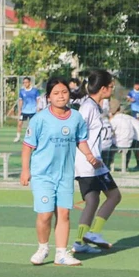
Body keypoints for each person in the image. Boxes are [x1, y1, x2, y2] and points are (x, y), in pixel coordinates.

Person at [21, 76, 100, 267]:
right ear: (48, 97)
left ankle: (62, 254)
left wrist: (89, 156)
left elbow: (81, 139)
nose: (61, 96)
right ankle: (42, 248)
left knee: (63, 214)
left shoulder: (76, 117)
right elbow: (27, 146)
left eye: (64, 92)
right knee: (45, 214)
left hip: (65, 175)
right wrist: (25, 170)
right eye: (56, 93)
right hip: (43, 175)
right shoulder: (40, 119)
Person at [72, 70, 122, 254]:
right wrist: (90, 156)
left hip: (89, 162)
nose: (113, 88)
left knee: (92, 200)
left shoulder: (92, 105)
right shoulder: (88, 108)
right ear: (103, 88)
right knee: (114, 196)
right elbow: (76, 132)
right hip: (90, 164)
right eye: (111, 86)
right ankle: (94, 232)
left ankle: (79, 241)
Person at [14, 76, 40, 142]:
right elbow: (21, 100)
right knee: (19, 123)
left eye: (26, 82)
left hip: (33, 111)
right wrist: (20, 109)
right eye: (24, 82)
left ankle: (32, 137)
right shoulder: (22, 91)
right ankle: (18, 137)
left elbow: (38, 100)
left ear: (29, 82)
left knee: (32, 125)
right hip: (24, 111)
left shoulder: (35, 90)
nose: (25, 84)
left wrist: (38, 108)